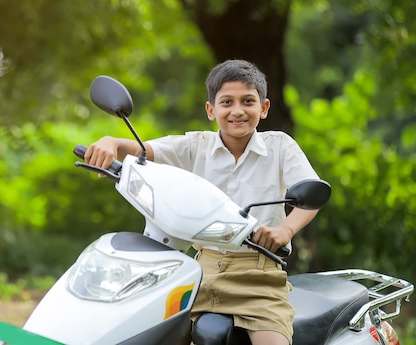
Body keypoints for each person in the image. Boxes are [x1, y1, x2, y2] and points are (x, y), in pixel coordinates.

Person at [84, 59, 321, 345]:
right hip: (199, 272)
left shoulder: (280, 146)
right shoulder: (196, 146)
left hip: (259, 276)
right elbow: (144, 150)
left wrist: (285, 230)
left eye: (248, 101)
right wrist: (113, 142)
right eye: (226, 102)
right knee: (147, 332)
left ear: (264, 108)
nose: (237, 110)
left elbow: (310, 196)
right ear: (211, 110)